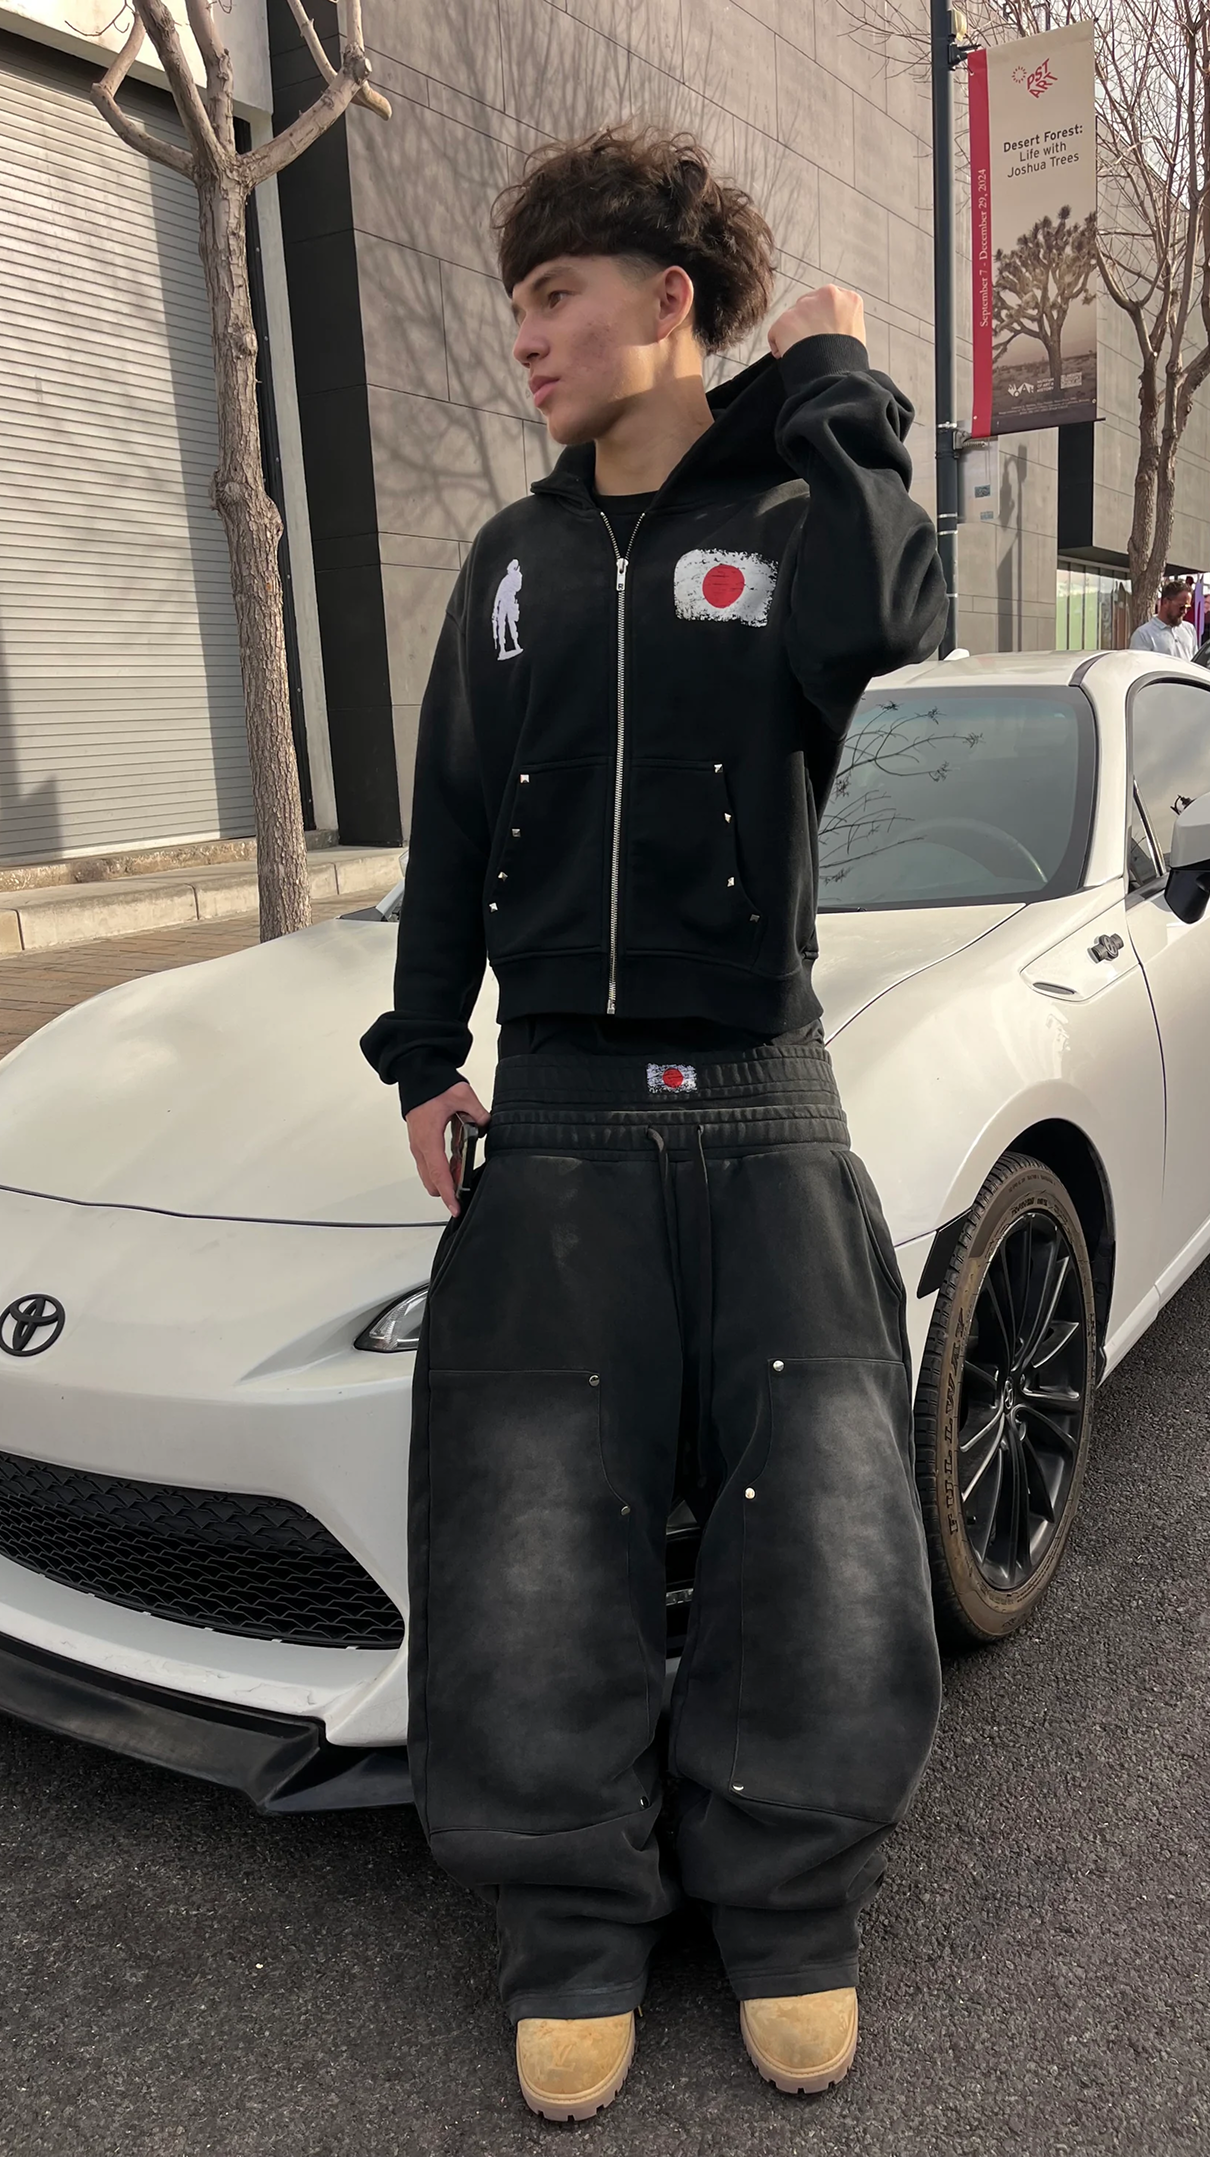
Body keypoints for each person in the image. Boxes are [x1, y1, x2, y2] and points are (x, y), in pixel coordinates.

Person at [361, 126, 947, 2122]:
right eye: (514, 300)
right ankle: (570, 1927)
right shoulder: (510, 564)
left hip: (766, 1105)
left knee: (822, 1521)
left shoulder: (790, 518)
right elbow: (451, 819)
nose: (523, 334)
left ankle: (789, 1905)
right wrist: (425, 1050)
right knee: (530, 1521)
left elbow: (895, 611)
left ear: (666, 297)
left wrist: (837, 383)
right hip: (562, 1121)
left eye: (556, 293)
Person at [1129, 578, 1198, 659]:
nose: (1185, 612)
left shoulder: (1189, 629)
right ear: (1165, 602)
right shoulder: (1144, 635)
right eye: (1181, 607)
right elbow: (1139, 664)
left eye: (1188, 608)